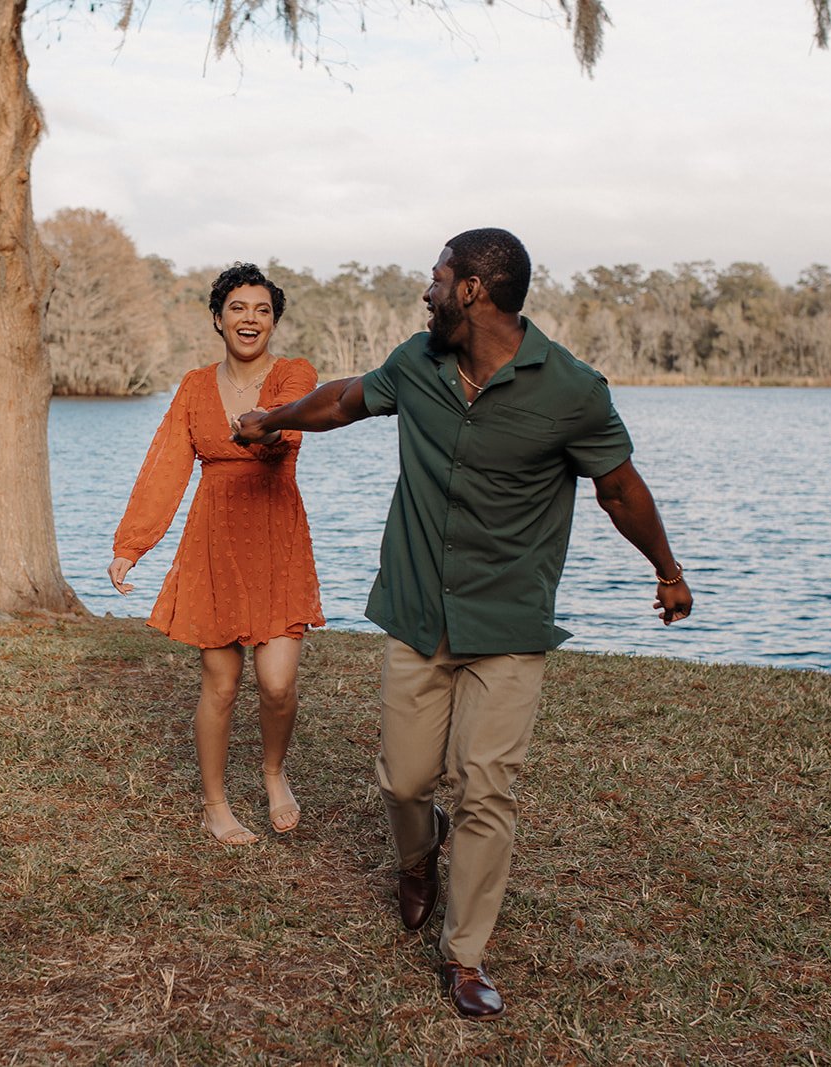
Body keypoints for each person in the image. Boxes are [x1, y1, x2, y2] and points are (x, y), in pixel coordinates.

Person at [234, 228, 692, 1020]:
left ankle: (466, 953)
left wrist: (669, 572)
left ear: (474, 289)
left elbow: (619, 489)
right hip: (417, 608)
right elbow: (343, 398)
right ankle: (418, 855)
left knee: (488, 789)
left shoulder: (572, 390)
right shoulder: (420, 362)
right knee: (407, 779)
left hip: (508, 621)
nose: (428, 291)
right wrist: (271, 417)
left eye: (437, 278)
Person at [109, 263, 324, 846]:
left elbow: (291, 427)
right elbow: (166, 465)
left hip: (276, 533)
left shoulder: (293, 374)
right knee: (221, 682)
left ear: (273, 322)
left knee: (277, 683)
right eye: (238, 308)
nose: (249, 319)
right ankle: (215, 804)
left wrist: (265, 430)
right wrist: (133, 544)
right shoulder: (194, 386)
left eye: (261, 310)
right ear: (218, 319)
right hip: (214, 535)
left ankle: (274, 773)